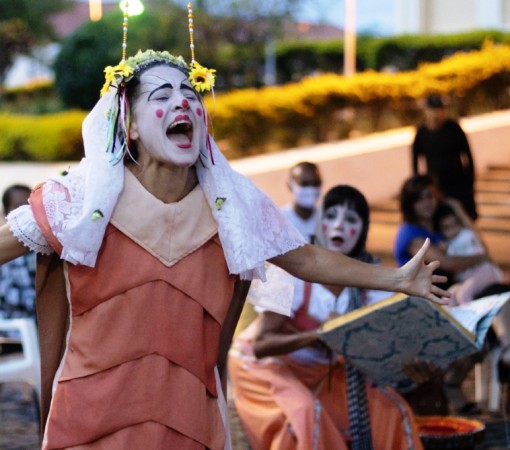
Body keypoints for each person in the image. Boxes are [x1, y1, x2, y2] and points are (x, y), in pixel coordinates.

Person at [0, 47, 447, 449]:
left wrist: (397, 278)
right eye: (161, 96)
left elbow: (303, 256)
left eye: (190, 94)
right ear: (130, 125)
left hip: (189, 420)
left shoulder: (232, 206)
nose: (183, 103)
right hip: (93, 420)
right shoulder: (79, 202)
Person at [228, 185, 425, 450]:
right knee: (306, 416)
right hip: (267, 368)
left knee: (391, 409)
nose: (339, 226)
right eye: (331, 216)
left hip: (325, 370)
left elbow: (380, 346)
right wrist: (317, 335)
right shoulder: (295, 271)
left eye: (351, 220)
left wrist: (415, 363)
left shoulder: (372, 279)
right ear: (320, 222)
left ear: (363, 230)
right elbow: (261, 346)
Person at [393, 174, 494, 415]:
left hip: (450, 296)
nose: (427, 203)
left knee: (485, 332)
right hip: (423, 303)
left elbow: (476, 244)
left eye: (430, 196)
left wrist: (460, 214)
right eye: (419, 199)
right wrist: (481, 259)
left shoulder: (439, 224)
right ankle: (445, 391)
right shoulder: (410, 233)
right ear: (410, 204)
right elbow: (446, 262)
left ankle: (454, 385)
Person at [412, 94, 478, 220]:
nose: (436, 114)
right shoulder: (421, 133)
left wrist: (470, 182)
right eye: (433, 110)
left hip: (459, 183)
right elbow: (415, 161)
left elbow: (468, 156)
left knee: (465, 218)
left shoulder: (454, 129)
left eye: (439, 109)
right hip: (437, 186)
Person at [433, 200, 504, 305]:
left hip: (483, 272)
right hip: (466, 279)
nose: (453, 230)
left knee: (463, 295)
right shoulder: (448, 244)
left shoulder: (466, 235)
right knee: (449, 297)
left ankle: (471, 318)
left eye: (455, 225)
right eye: (447, 227)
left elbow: (471, 229)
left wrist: (459, 209)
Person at [0, 184, 36, 321]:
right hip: (14, 330)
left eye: (28, 207)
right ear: (6, 212)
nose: (24, 215)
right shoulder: (4, 252)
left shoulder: (42, 249)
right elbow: (7, 296)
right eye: (18, 207)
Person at [281, 161, 322, 243]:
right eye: (304, 184)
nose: (311, 189)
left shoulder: (326, 219)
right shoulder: (279, 220)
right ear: (290, 185)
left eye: (316, 183)